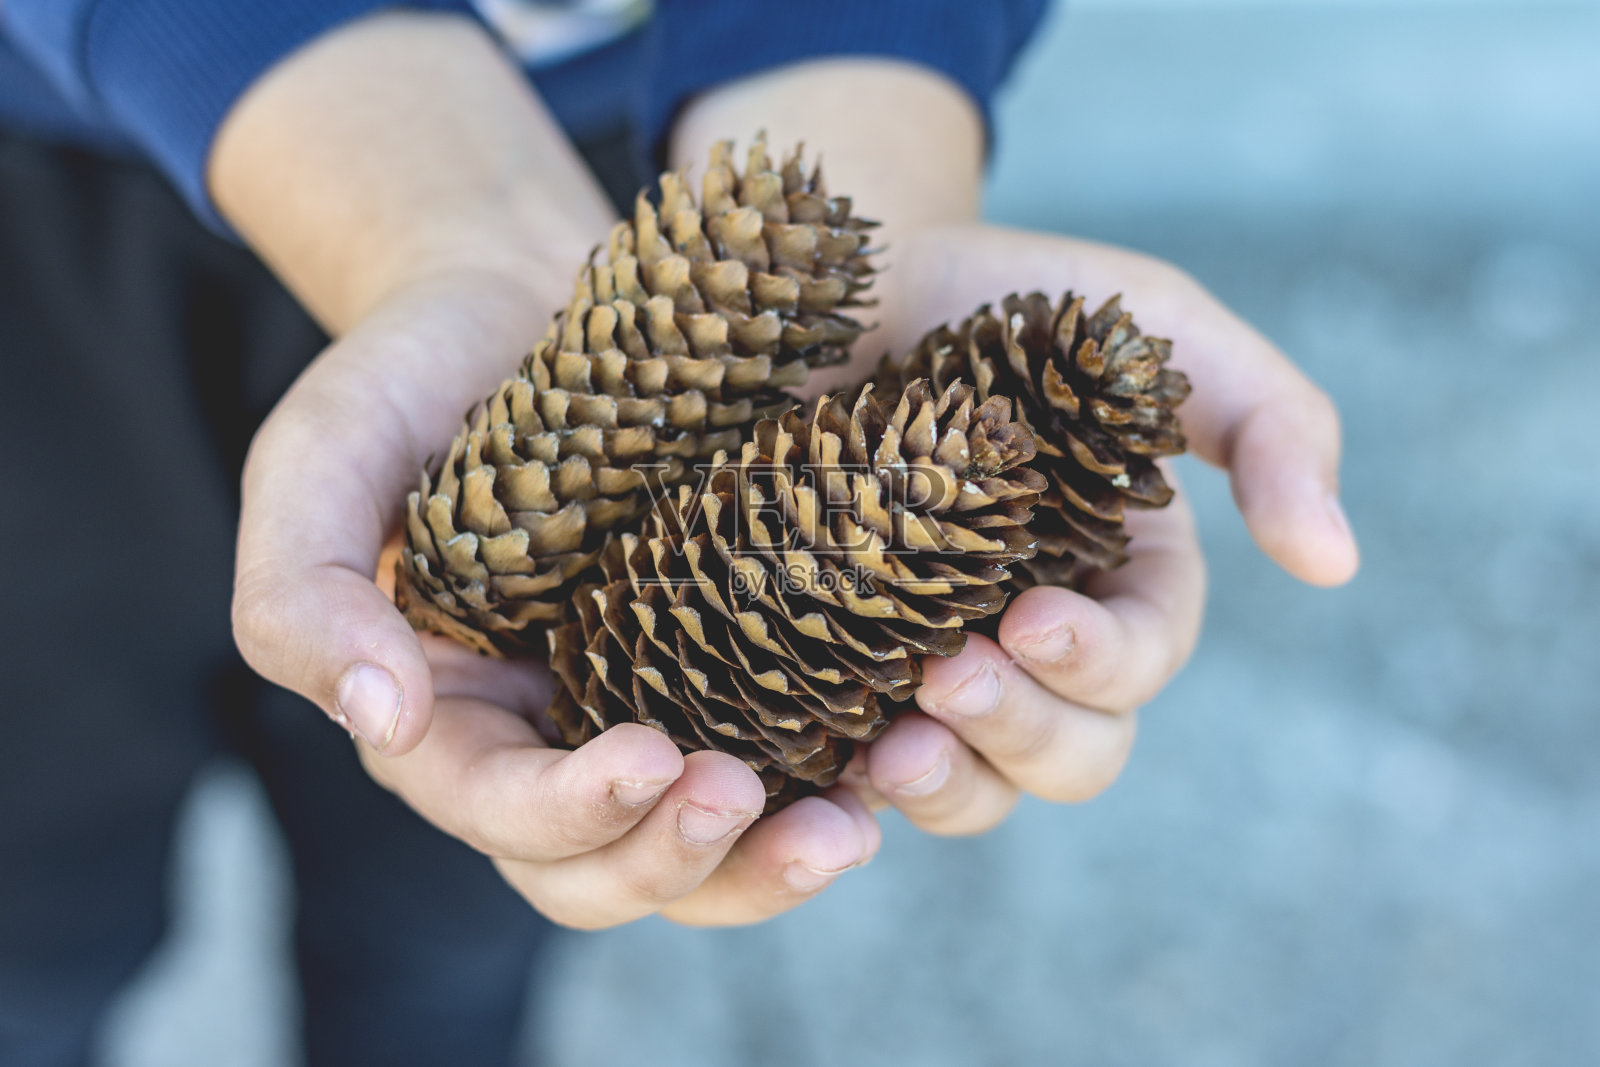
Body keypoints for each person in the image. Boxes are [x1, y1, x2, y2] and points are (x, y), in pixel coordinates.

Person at [0, 2, 1359, 1064]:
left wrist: (857, 106)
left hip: (625, 186)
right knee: (31, 913)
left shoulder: (723, 282)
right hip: (61, 205)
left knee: (450, 926)